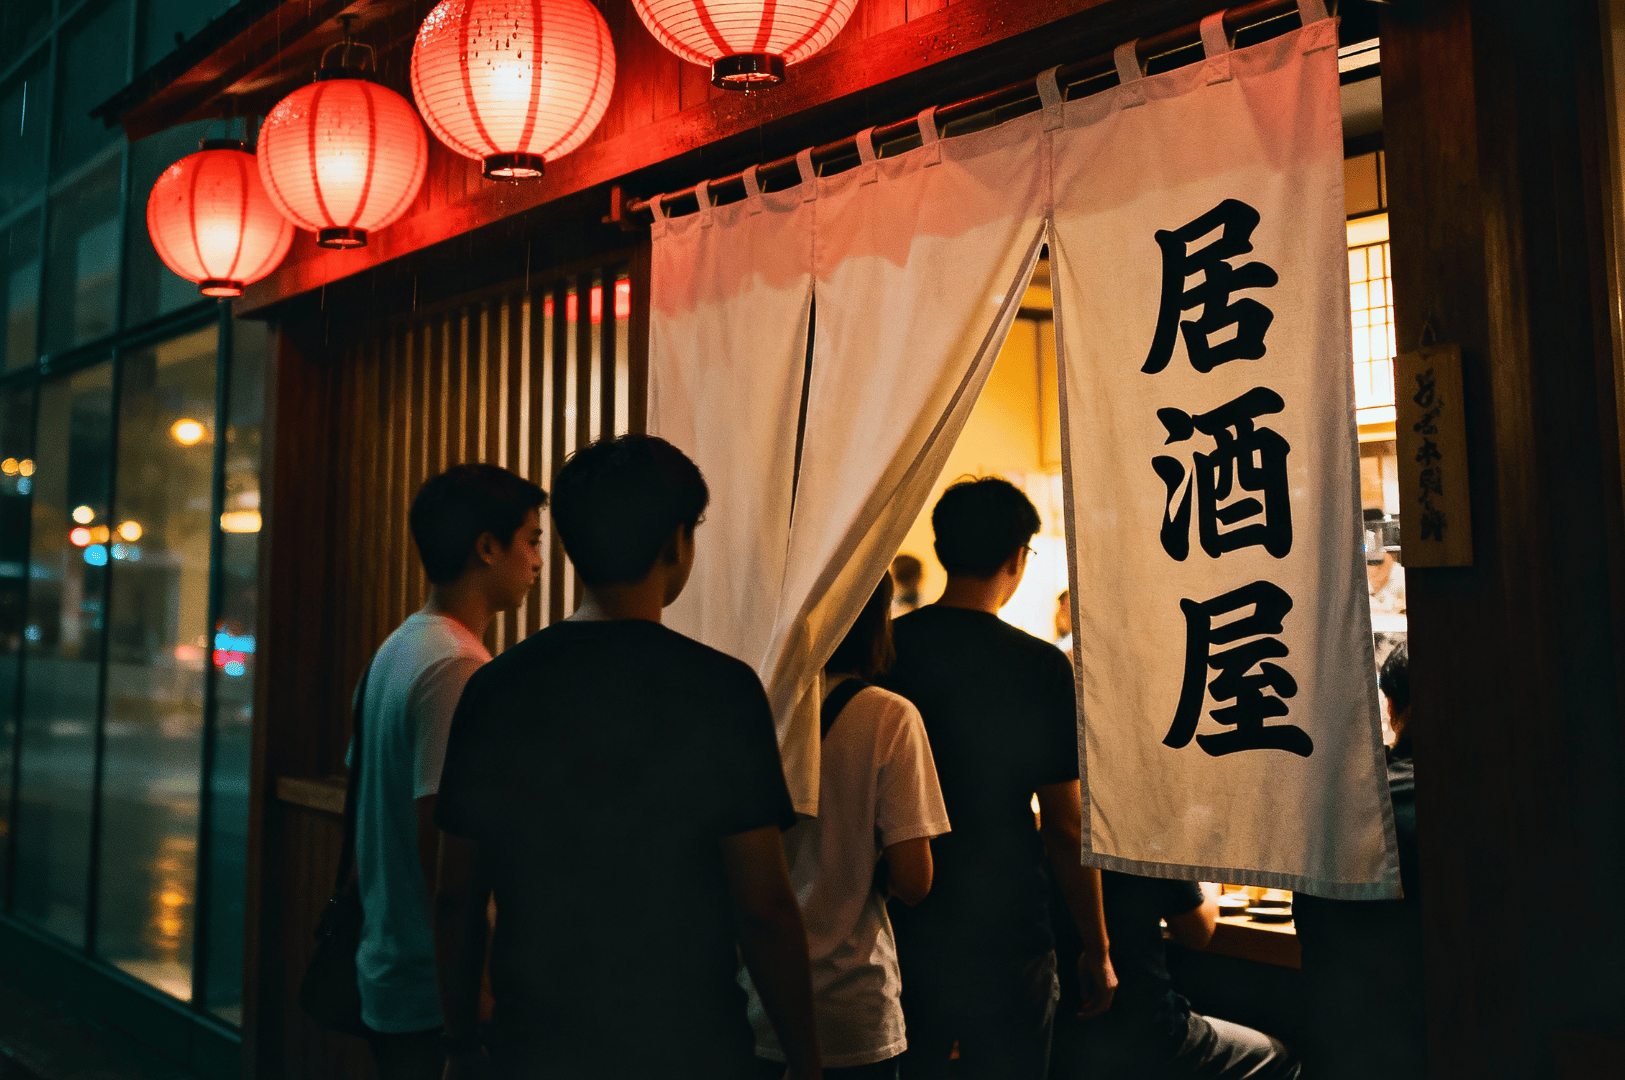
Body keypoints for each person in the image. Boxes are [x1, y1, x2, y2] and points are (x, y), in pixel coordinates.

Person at [433, 434, 821, 1080]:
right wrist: (807, 1061)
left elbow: (456, 895)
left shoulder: (497, 687)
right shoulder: (720, 690)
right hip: (690, 1043)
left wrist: (459, 1043)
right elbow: (764, 906)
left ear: (567, 545)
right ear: (676, 542)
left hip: (536, 1043)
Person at [882, 477, 1116, 1080]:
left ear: (940, 549)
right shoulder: (1040, 666)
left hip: (906, 916)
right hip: (1009, 928)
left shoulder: (888, 651)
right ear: (1017, 557)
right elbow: (1066, 825)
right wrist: (1097, 946)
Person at [353, 464, 546, 1080]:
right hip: (436, 992)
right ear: (487, 548)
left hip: (390, 969)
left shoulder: (398, 648)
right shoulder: (456, 669)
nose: (538, 561)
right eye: (532, 541)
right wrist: (474, 999)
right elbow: (445, 846)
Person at [745, 573, 952, 1080]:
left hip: (758, 996)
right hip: (852, 1000)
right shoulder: (889, 717)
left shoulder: (753, 709)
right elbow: (915, 880)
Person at [1294, 641, 1424, 1080]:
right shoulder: (1479, 800)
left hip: (1335, 1034)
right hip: (1427, 1033)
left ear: (1388, 704)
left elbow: (1306, 923)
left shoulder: (1337, 797)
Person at [1050, 874, 1300, 1079]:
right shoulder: (1141, 833)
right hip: (1146, 1030)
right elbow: (1199, 932)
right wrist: (1211, 875)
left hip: (1068, 1029)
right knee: (1279, 1057)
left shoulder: (1056, 838)